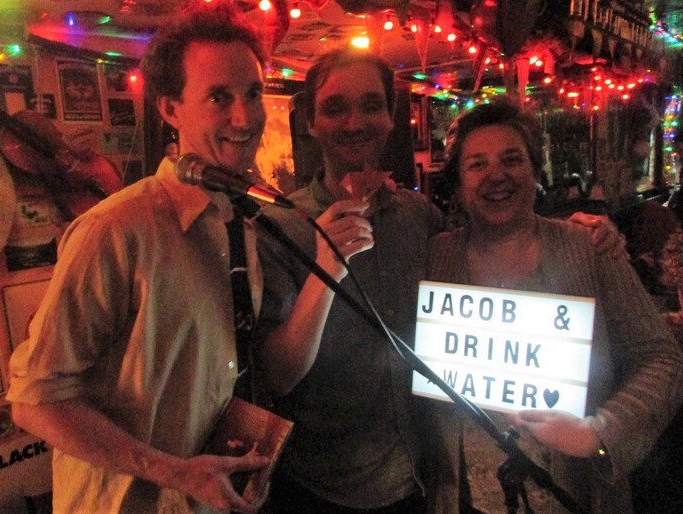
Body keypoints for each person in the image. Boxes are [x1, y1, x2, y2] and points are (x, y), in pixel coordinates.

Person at [254, 47, 627, 513]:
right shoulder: (281, 226)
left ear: (390, 117)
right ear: (310, 121)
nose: (355, 122)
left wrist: (573, 232)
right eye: (335, 108)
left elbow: (487, 248)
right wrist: (324, 269)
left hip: (425, 477)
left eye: (371, 105)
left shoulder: (419, 216)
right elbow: (277, 377)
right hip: (324, 485)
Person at [6, 4, 272, 513]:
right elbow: (33, 401)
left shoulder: (244, 219)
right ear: (170, 109)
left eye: (253, 94)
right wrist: (174, 472)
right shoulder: (115, 228)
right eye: (219, 97)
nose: (245, 117)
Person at [425, 99, 683, 513]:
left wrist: (599, 434)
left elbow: (662, 359)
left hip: (573, 496)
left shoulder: (587, 247)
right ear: (457, 183)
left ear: (535, 170)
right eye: (477, 164)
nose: (496, 175)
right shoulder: (436, 257)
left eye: (512, 159)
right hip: (465, 497)